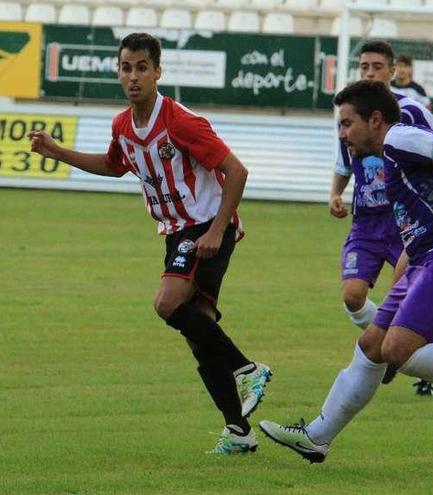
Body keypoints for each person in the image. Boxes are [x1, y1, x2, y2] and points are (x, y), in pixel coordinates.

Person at [259, 80, 433, 463]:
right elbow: (419, 213)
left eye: (346, 124)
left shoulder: (398, 138)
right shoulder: (388, 159)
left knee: (394, 348)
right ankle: (317, 436)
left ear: (374, 119)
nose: (342, 135)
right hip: (427, 257)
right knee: (372, 345)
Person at [28, 32, 272, 454]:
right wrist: (56, 152)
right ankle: (239, 432)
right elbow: (113, 164)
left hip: (204, 227)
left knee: (165, 303)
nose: (134, 76)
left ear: (158, 72)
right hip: (178, 231)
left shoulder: (180, 121)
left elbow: (237, 171)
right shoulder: (122, 124)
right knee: (199, 333)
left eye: (143, 67)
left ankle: (248, 369)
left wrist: (216, 231)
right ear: (118, 72)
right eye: (127, 68)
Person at [331, 40, 433, 394]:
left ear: (393, 71)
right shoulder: (351, 112)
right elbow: (344, 162)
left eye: (377, 67)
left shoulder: (409, 111)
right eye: (364, 66)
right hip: (366, 222)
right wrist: (335, 193)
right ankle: (396, 350)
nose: (369, 73)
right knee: (352, 295)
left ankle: (407, 357)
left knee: (407, 300)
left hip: (404, 222)